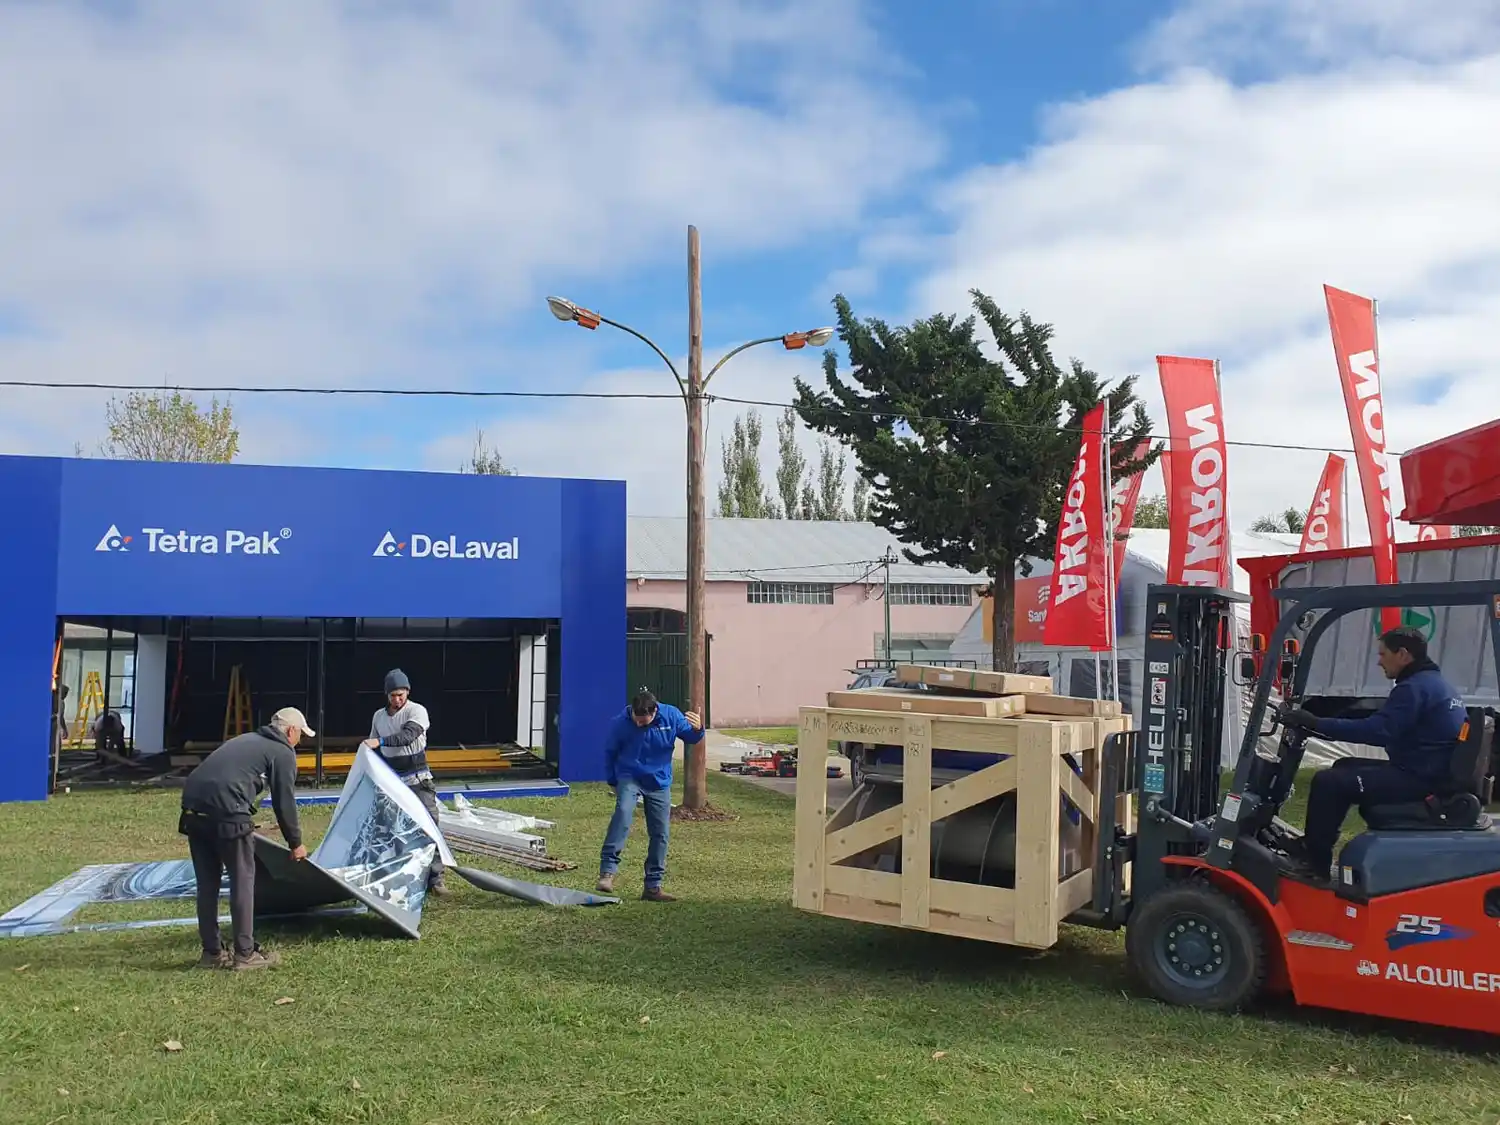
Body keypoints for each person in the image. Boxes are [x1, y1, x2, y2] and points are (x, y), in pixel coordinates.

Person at [1281, 626, 1466, 879]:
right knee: (1344, 766)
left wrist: (1317, 723)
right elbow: (1387, 720)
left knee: (1328, 782)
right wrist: (1329, 720)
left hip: (1418, 778)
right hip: (1426, 770)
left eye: (1383, 654)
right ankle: (1314, 843)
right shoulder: (1432, 684)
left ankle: (1315, 862)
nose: (1379, 662)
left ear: (1403, 654)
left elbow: (1379, 731)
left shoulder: (1413, 688)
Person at [178, 706, 311, 970]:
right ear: (291, 731)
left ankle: (212, 953)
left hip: (193, 811)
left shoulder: (246, 740)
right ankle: (245, 954)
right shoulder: (282, 751)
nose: (300, 741)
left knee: (208, 885)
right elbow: (284, 802)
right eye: (301, 735)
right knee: (242, 882)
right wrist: (295, 843)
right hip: (227, 813)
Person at [596, 688, 705, 902]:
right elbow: (610, 753)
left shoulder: (671, 716)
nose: (639, 725)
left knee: (660, 833)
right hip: (630, 776)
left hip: (658, 781)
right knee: (623, 814)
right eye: (636, 721)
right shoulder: (620, 722)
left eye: (643, 722)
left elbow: (691, 738)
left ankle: (653, 886)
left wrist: (698, 729)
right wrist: (612, 781)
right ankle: (607, 873)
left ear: (655, 712)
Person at [361, 668, 448, 897]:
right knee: (392, 830)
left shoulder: (416, 711)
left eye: (401, 694)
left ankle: (435, 879)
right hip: (392, 780)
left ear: (407, 692)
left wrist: (379, 742)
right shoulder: (379, 717)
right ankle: (401, 876)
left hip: (418, 779)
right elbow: (373, 748)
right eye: (393, 695)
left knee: (429, 827)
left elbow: (408, 736)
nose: (397, 699)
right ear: (387, 695)